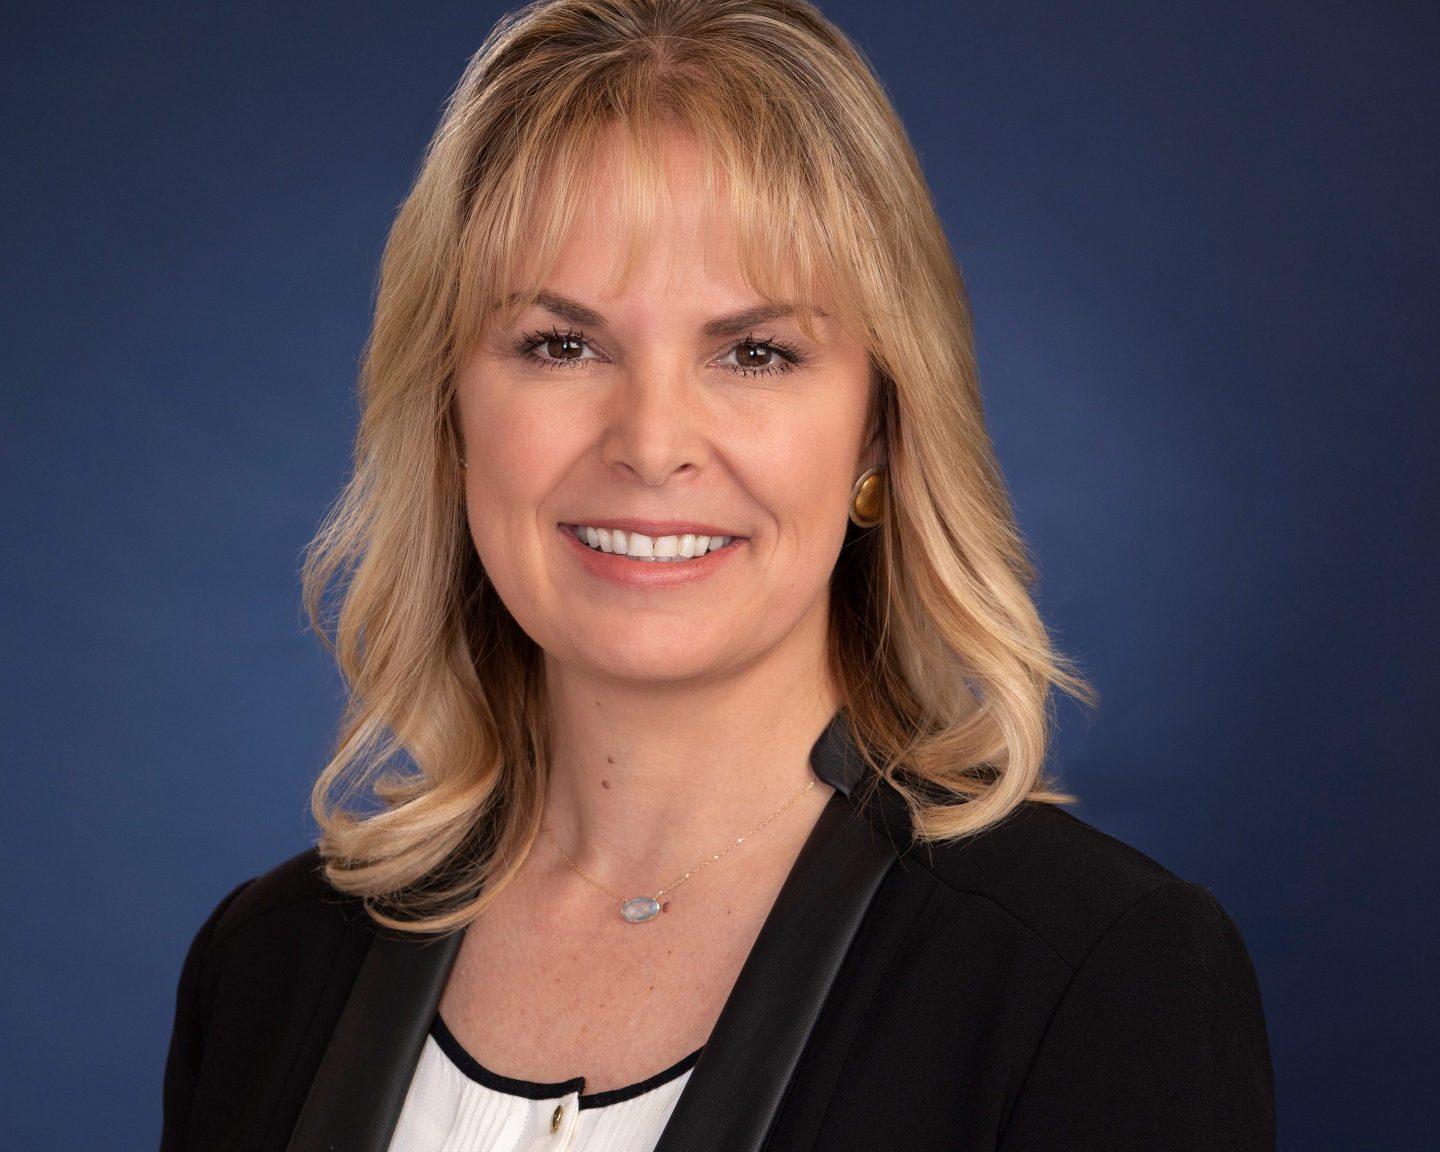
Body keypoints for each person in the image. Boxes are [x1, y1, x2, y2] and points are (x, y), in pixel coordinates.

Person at [160, 1, 1275, 1148]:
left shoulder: (1093, 974)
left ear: (882, 430)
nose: (651, 443)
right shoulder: (266, 963)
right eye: (562, 344)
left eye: (755, 353)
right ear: (447, 416)